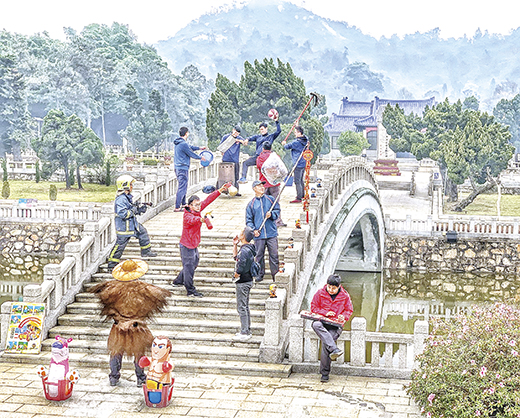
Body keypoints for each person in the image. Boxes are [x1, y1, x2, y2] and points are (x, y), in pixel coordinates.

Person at [90, 259, 170, 387]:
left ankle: (114, 377)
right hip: (136, 327)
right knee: (139, 353)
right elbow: (160, 295)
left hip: (118, 327)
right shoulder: (144, 289)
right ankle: (140, 378)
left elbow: (101, 294)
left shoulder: (112, 288)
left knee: (116, 352)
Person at [172, 182, 231, 297]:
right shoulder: (187, 215)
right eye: (196, 205)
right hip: (187, 245)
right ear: (189, 206)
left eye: (199, 204)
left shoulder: (197, 210)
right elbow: (192, 220)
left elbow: (208, 200)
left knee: (193, 263)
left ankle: (178, 281)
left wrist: (219, 190)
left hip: (194, 244)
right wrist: (201, 220)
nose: (199, 206)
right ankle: (190, 290)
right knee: (189, 268)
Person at [107, 175, 157, 270]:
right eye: (130, 185)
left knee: (142, 232)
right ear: (125, 186)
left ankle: (146, 251)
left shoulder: (126, 198)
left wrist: (139, 210)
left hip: (132, 224)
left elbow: (131, 208)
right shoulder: (121, 199)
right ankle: (111, 264)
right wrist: (134, 211)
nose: (132, 187)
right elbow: (122, 213)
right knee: (120, 246)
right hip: (124, 227)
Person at [310, 274, 353, 383]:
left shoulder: (345, 295)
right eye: (329, 287)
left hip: (335, 325)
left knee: (326, 343)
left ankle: (324, 373)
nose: (331, 290)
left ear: (339, 286)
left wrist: (343, 316)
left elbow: (349, 310)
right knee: (315, 325)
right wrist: (325, 313)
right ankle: (334, 349)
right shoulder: (320, 293)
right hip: (322, 322)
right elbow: (313, 308)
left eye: (333, 288)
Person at [245, 180, 280, 282]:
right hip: (259, 235)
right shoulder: (251, 205)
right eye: (259, 186)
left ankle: (275, 275)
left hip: (271, 233)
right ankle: (259, 275)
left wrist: (271, 215)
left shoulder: (271, 199)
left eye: (262, 186)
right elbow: (248, 221)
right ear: (254, 189)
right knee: (259, 256)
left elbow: (277, 211)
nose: (262, 188)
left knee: (274, 255)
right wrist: (253, 231)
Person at [173, 126, 207, 211]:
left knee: (183, 186)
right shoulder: (183, 144)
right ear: (186, 133)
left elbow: (190, 147)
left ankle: (184, 204)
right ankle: (177, 207)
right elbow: (190, 153)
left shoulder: (179, 143)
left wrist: (199, 148)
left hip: (178, 167)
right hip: (182, 168)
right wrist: (200, 158)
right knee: (182, 187)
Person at [232, 226, 256, 341]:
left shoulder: (245, 250)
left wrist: (237, 273)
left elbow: (241, 264)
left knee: (242, 306)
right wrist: (235, 245)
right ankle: (246, 329)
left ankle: (245, 331)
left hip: (243, 281)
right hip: (248, 280)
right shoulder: (248, 248)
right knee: (244, 306)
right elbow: (236, 258)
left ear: (244, 236)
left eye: (241, 233)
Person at [238, 118, 281, 183]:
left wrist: (276, 121)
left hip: (267, 158)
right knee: (245, 163)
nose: (261, 131)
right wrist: (247, 139)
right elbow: (250, 138)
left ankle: (273, 180)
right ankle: (243, 178)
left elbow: (278, 131)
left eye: (263, 129)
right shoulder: (258, 137)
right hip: (258, 157)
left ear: (266, 129)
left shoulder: (270, 136)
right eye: (260, 129)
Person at [256, 142, 286, 227]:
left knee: (264, 203)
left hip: (264, 184)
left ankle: (264, 221)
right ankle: (278, 221)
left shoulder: (260, 158)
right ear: (270, 148)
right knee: (275, 203)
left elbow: (259, 167)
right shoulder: (275, 157)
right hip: (275, 184)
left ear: (263, 148)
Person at [282, 125, 309, 203]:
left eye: (296, 132)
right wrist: (297, 124)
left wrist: (284, 143)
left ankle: (299, 197)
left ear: (299, 133)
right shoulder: (306, 139)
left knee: (297, 181)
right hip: (304, 162)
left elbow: (287, 147)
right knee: (301, 180)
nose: (295, 134)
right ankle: (302, 195)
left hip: (298, 163)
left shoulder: (296, 142)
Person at [220, 125, 246, 194]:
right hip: (226, 159)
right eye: (235, 132)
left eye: (237, 133)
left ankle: (236, 191)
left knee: (236, 176)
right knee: (225, 176)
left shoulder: (239, 138)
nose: (236, 134)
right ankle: (224, 190)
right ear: (232, 130)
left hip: (235, 160)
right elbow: (221, 147)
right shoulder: (226, 137)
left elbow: (245, 143)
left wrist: (238, 140)